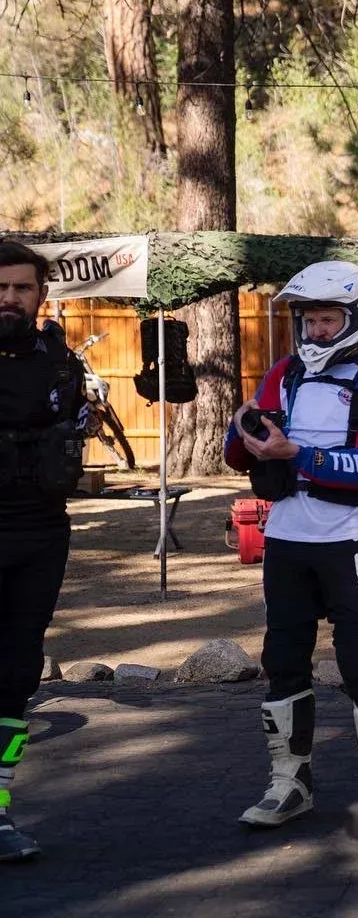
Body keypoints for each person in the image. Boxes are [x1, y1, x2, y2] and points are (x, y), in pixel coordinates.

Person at [224, 261, 358, 827]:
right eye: (308, 320)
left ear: (356, 319)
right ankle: (289, 782)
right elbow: (241, 452)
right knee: (283, 661)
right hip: (283, 538)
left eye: (328, 319)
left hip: (348, 540)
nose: (316, 332)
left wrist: (296, 457)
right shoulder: (283, 373)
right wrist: (244, 431)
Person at [0, 240, 86, 862]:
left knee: (14, 681)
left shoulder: (59, 360)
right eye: (0, 288)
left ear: (40, 295)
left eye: (21, 288)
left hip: (40, 536)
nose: (9, 299)